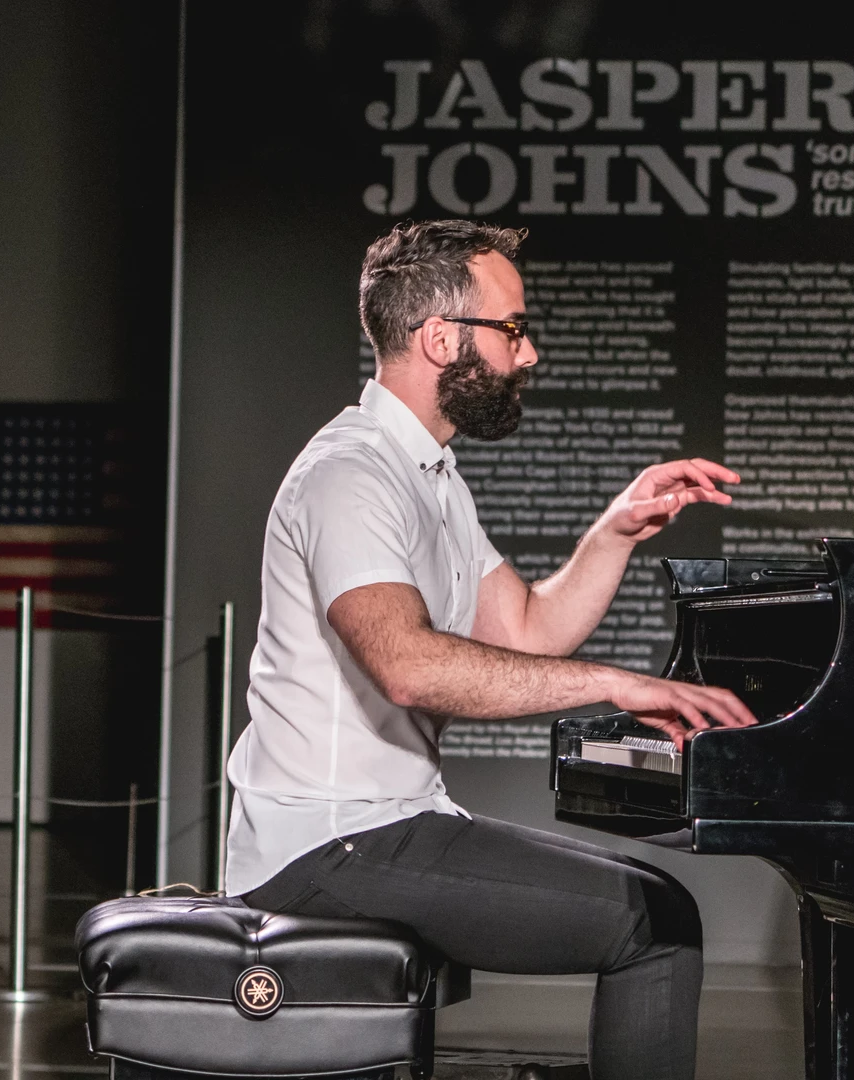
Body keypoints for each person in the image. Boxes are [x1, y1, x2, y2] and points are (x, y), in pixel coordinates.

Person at [226, 219, 754, 1080]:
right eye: (512, 329)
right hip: (326, 844)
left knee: (656, 907)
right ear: (441, 339)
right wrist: (618, 685)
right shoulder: (349, 475)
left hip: (386, 827)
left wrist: (618, 528)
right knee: (653, 924)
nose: (530, 352)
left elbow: (524, 628)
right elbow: (409, 665)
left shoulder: (429, 476)